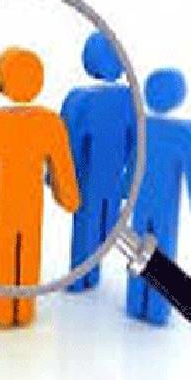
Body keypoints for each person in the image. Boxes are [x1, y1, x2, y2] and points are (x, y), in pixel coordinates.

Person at [0, 47, 80, 328]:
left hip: (9, 209)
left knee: (6, 252)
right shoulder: (49, 123)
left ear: (1, 81)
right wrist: (68, 197)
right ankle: (22, 310)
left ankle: (5, 311)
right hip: (29, 207)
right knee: (27, 248)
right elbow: (63, 170)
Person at [126, 68, 191, 325]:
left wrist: (123, 190)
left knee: (141, 247)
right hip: (157, 205)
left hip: (145, 203)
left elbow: (132, 164)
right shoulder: (183, 133)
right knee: (158, 250)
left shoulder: (146, 127)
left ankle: (142, 303)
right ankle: (153, 307)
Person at [60, 31, 135, 292]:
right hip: (107, 177)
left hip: (92, 178)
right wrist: (129, 177)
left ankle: (83, 276)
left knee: (90, 223)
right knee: (102, 222)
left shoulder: (81, 100)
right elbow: (135, 141)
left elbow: (68, 142)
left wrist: (59, 179)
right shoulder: (128, 99)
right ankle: (88, 275)